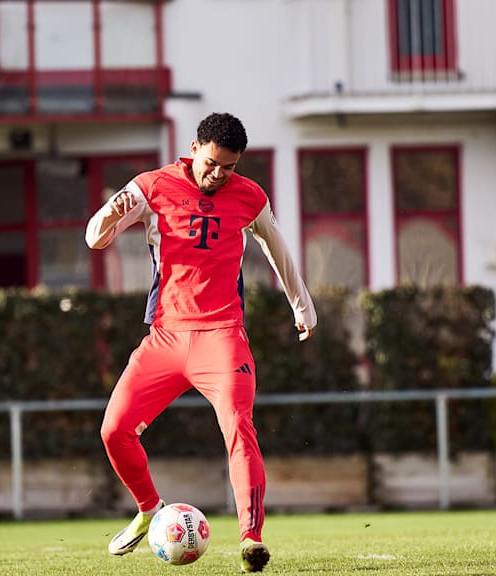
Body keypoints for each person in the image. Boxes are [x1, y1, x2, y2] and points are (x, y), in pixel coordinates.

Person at [85, 112, 316, 572]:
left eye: (229, 167)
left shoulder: (250, 196)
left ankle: (251, 537)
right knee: (113, 431)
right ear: (194, 149)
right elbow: (95, 239)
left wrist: (302, 305)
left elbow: (277, 248)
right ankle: (150, 508)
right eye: (212, 163)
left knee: (239, 428)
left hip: (223, 337)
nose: (218, 175)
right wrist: (106, 215)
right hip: (165, 337)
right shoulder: (151, 186)